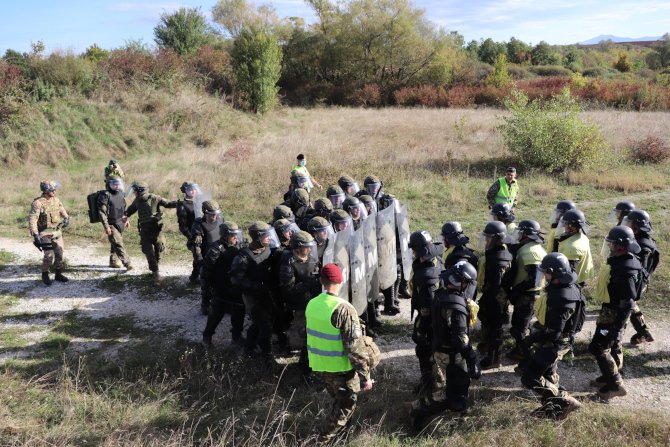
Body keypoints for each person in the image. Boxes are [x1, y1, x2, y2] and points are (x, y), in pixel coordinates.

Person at [305, 263, 378, 441]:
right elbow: (355, 349)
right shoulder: (343, 309)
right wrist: (366, 377)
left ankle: (343, 438)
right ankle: (317, 440)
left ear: (321, 281)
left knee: (339, 401)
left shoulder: (312, 304)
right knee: (344, 409)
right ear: (341, 280)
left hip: (322, 367)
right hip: (342, 370)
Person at [410, 261, 480, 428]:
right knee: (456, 393)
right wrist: (472, 359)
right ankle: (420, 409)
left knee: (458, 386)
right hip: (452, 353)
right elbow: (460, 338)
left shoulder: (441, 293)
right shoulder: (455, 306)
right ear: (461, 282)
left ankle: (458, 412)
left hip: (441, 349)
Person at [519, 253, 584, 419]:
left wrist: (530, 339)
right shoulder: (569, 287)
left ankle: (564, 401)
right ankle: (554, 409)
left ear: (553, 273)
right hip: (558, 340)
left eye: (545, 272)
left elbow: (554, 332)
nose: (543, 275)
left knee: (529, 377)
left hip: (555, 343)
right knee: (547, 374)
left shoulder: (561, 298)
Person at [589, 226, 643, 400]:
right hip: (611, 312)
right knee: (611, 345)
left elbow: (628, 302)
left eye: (611, 243)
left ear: (620, 246)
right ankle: (608, 375)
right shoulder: (624, 260)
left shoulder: (625, 270)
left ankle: (615, 384)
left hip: (613, 316)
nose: (609, 246)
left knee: (598, 346)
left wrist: (617, 328)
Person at [231, 221, 278, 360]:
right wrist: (253, 286)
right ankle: (267, 356)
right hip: (252, 296)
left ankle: (249, 347)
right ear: (257, 237)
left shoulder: (268, 249)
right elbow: (235, 279)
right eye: (266, 236)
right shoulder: (244, 256)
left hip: (266, 292)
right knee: (265, 325)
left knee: (259, 323)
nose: (269, 238)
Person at [280, 231, 321, 377]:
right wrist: (307, 284)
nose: (309, 250)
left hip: (311, 302)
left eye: (311, 247)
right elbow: (288, 288)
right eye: (306, 247)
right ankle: (305, 371)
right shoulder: (288, 262)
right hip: (297, 305)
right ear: (297, 247)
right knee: (305, 338)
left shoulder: (311, 259)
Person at [408, 230, 444, 394]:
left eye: (414, 250)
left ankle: (431, 383)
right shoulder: (437, 260)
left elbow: (427, 308)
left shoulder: (426, 276)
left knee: (424, 350)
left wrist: (421, 328)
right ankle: (436, 378)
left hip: (431, 318)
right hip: (439, 314)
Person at [506, 220, 547, 360]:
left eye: (520, 232)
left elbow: (533, 279)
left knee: (521, 328)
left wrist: (515, 291)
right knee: (518, 324)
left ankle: (527, 355)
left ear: (526, 235)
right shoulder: (529, 247)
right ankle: (520, 349)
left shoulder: (532, 252)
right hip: (525, 293)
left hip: (528, 295)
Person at [123, 181, 177, 285]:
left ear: (140, 190)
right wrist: (125, 216)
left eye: (135, 190)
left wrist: (181, 203)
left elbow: (168, 204)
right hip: (145, 231)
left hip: (156, 229)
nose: (133, 192)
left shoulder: (154, 198)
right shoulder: (137, 201)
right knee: (148, 251)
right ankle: (156, 273)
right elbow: (129, 210)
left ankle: (156, 267)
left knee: (158, 249)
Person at [201, 222, 246, 346]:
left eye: (237, 235)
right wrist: (207, 290)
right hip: (221, 287)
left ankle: (236, 337)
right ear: (225, 235)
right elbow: (206, 271)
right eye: (233, 235)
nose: (236, 238)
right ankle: (207, 337)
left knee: (239, 313)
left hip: (235, 287)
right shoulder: (216, 249)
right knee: (216, 314)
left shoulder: (240, 246)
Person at [477, 221, 513, 370]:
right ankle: (489, 350)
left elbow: (496, 285)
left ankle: (494, 359)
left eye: (489, 238)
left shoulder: (498, 259)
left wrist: (484, 300)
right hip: (496, 296)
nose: (486, 240)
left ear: (497, 238)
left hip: (495, 298)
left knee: (495, 329)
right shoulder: (500, 252)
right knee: (491, 326)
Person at [622, 210, 659, 345]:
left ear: (636, 227)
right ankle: (644, 332)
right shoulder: (645, 240)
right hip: (640, 281)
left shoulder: (642, 246)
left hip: (637, 281)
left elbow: (638, 269)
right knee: (631, 305)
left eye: (630, 224)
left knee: (626, 306)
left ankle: (615, 340)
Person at [29, 180, 70, 285]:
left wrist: (66, 218)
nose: (55, 192)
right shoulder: (37, 203)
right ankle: (45, 274)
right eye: (52, 190)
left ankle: (58, 274)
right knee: (49, 255)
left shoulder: (56, 200)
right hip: (44, 233)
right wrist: (35, 234)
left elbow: (61, 209)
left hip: (56, 232)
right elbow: (33, 219)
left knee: (59, 254)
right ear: (46, 191)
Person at [191, 200, 224, 310]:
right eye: (211, 214)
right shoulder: (199, 225)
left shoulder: (220, 220)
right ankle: (205, 305)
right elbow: (196, 246)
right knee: (206, 282)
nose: (215, 216)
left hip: (220, 256)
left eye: (216, 214)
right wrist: (200, 261)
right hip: (206, 258)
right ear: (205, 213)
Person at [97, 175, 133, 270]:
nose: (116, 186)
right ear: (109, 185)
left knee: (115, 243)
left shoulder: (121, 193)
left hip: (120, 222)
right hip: (111, 223)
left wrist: (126, 219)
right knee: (118, 243)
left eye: (118, 184)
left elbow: (123, 208)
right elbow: (102, 213)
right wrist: (106, 227)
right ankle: (128, 264)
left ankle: (113, 262)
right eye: (114, 185)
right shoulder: (105, 195)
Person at [556, 209, 594, 287]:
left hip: (575, 282)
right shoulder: (581, 236)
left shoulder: (572, 248)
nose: (563, 226)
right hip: (582, 276)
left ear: (571, 226)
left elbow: (569, 274)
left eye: (565, 224)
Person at [176, 182, 200, 282]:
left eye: (194, 189)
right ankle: (194, 277)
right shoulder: (183, 205)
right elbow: (183, 226)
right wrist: (191, 237)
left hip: (204, 233)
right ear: (184, 191)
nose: (193, 191)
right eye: (190, 189)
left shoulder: (199, 201)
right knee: (198, 257)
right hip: (194, 236)